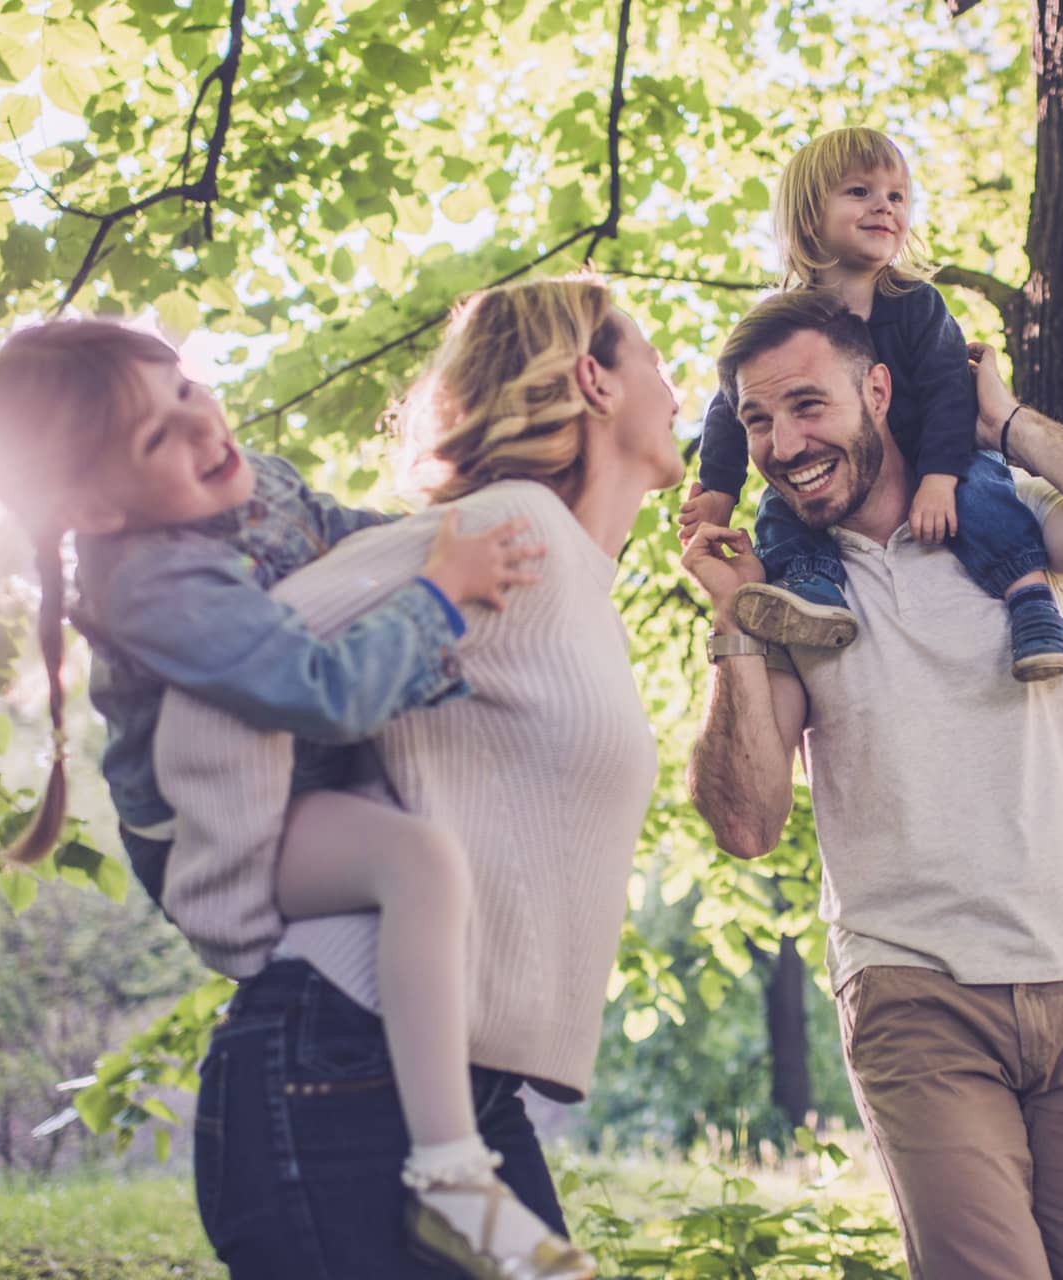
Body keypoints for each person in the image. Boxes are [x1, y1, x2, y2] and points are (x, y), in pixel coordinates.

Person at [0, 319, 572, 1275]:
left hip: (309, 778)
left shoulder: (266, 482)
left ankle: (478, 1136)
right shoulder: (156, 585)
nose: (204, 431)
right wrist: (441, 595)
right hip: (226, 830)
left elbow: (359, 551)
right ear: (95, 507)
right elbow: (318, 691)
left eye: (188, 392)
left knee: (445, 827)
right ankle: (453, 1177)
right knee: (418, 863)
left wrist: (453, 538)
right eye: (157, 439)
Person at [148, 277, 684, 1279]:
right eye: (652, 358)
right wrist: (235, 884)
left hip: (451, 1096)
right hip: (338, 1064)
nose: (675, 384)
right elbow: (231, 673)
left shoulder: (569, 576)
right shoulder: (508, 532)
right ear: (591, 379)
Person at [680, 290, 1063, 1280]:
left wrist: (1005, 423)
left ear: (878, 388)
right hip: (914, 989)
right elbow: (746, 818)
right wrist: (735, 622)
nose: (784, 442)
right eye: (756, 420)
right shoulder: (797, 594)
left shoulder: (995, 523)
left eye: (808, 406)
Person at [679, 126, 1063, 681]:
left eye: (897, 197)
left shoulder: (915, 304)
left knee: (986, 490)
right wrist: (720, 490)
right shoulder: (782, 322)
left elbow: (948, 390)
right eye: (859, 192)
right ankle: (812, 591)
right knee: (779, 511)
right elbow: (731, 406)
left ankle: (1029, 599)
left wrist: (938, 477)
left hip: (938, 453)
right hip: (839, 473)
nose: (884, 208)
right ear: (809, 214)